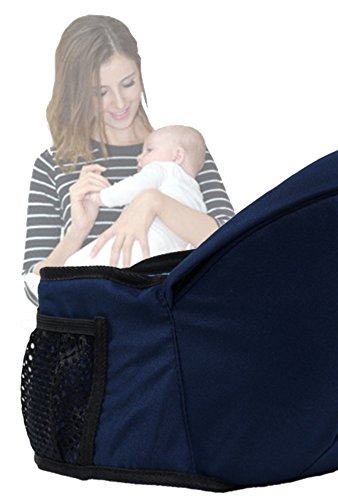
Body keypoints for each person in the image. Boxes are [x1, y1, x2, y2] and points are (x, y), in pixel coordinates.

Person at [22, 15, 235, 305]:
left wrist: (153, 202)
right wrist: (77, 232)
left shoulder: (182, 151)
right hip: (92, 326)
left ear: (140, 72)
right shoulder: (54, 165)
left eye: (128, 83)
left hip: (168, 322)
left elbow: (232, 247)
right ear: (77, 93)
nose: (120, 103)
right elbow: (33, 290)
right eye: (101, 92)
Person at [65, 124, 208, 267]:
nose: (139, 157)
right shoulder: (198, 201)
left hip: (139, 242)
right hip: (165, 257)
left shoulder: (164, 168)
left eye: (149, 150)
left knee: (76, 262)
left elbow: (131, 187)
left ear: (177, 156)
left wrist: (101, 197)